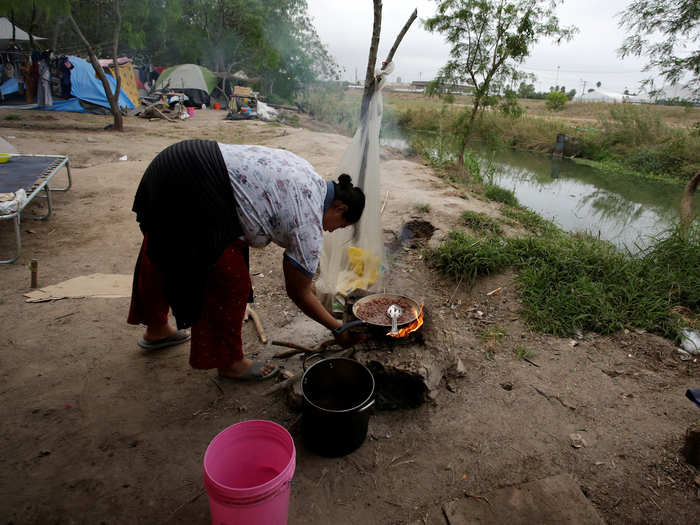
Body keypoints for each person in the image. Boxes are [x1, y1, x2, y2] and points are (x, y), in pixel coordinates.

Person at [127, 140, 365, 380]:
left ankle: (156, 330)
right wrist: (338, 329)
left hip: (172, 162)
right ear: (339, 208)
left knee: (162, 246)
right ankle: (231, 363)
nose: (332, 231)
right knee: (231, 283)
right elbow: (299, 292)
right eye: (340, 226)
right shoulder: (309, 221)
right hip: (196, 184)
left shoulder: (306, 172)